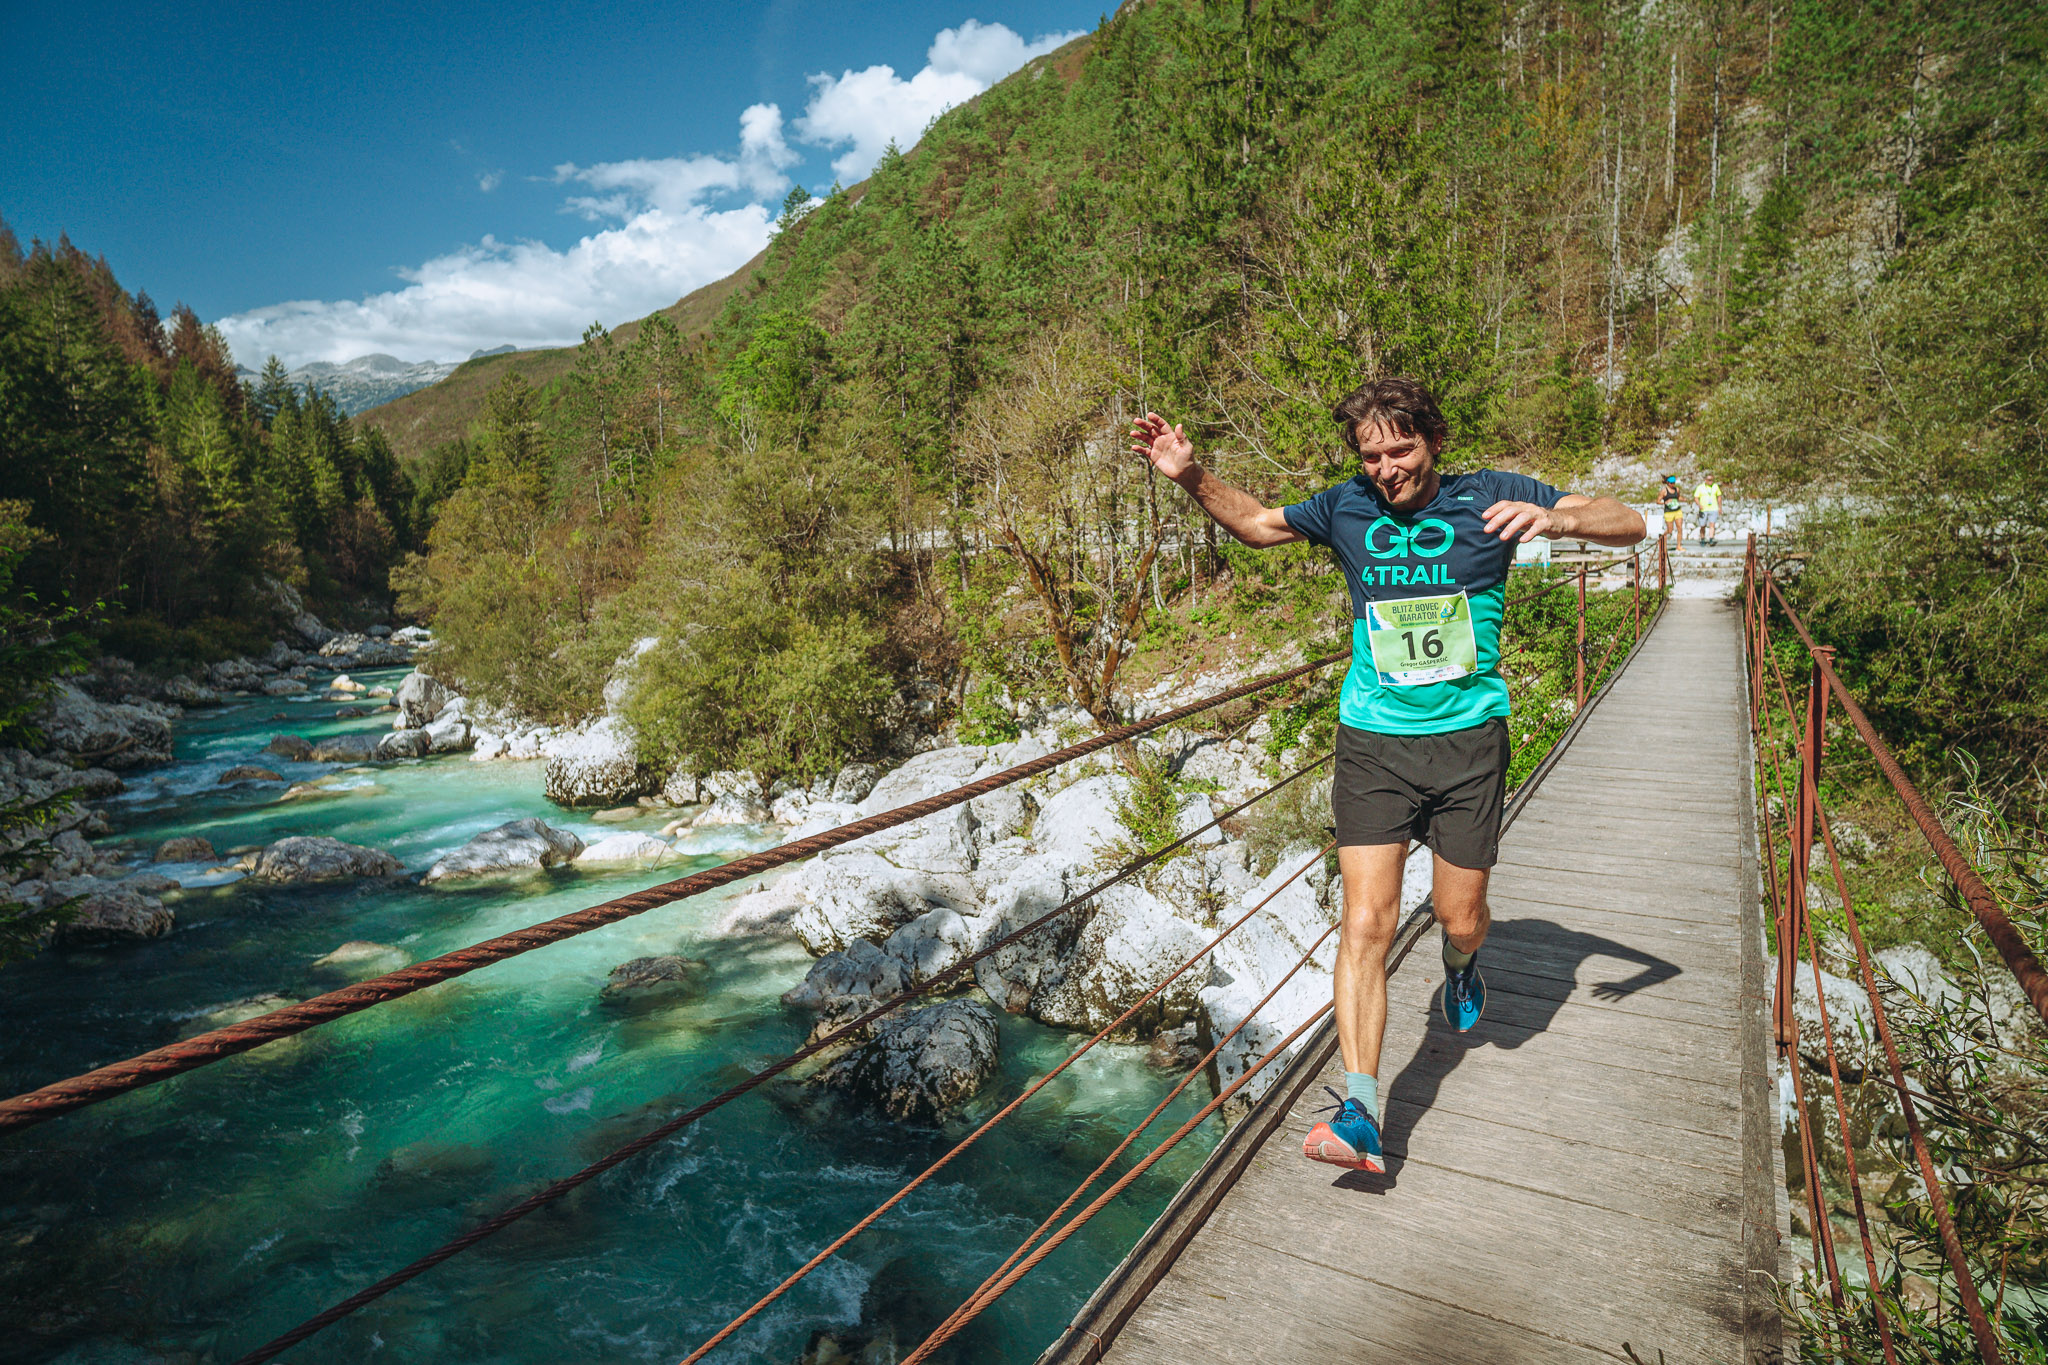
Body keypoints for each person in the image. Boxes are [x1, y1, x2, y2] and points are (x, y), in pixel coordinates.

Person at [1129, 377, 1644, 1173]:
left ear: (1433, 440)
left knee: (1460, 915)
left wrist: (1560, 517)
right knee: (1366, 923)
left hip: (1469, 742)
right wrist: (1190, 474)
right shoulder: (1347, 506)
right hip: (1373, 741)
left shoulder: (1489, 496)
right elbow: (1260, 524)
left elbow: (1630, 521)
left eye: (1401, 450)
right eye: (1372, 455)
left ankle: (1462, 963)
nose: (1387, 469)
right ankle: (1362, 1109)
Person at [1693, 473, 1722, 546]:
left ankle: (1711, 539)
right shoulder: (1700, 487)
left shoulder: (1715, 486)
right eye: (1709, 480)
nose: (1710, 481)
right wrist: (1699, 505)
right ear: (1705, 480)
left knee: (1712, 524)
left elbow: (1719, 496)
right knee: (1702, 525)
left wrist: (1719, 507)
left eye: (1712, 480)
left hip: (1713, 508)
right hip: (1703, 509)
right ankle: (1702, 538)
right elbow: (1696, 497)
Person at [1659, 477, 1685, 551]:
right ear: (1668, 483)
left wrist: (1683, 499)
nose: (1672, 484)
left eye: (1674, 483)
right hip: (1668, 512)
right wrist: (1665, 502)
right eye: (1671, 483)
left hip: (1677, 511)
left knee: (1680, 528)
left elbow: (1678, 497)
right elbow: (1658, 501)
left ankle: (1679, 545)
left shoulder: (1677, 489)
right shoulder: (1664, 491)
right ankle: (1662, 539)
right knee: (1670, 530)